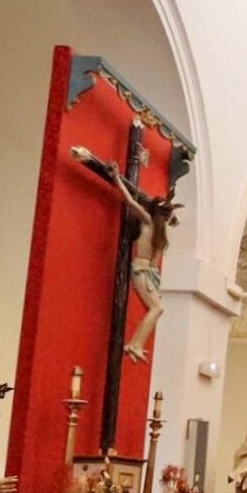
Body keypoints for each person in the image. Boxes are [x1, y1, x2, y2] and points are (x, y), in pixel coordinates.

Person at [70, 146, 178, 362]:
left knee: (157, 309)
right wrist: (117, 179)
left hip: (147, 273)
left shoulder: (159, 231)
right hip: (140, 269)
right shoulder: (147, 220)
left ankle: (136, 344)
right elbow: (130, 201)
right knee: (156, 309)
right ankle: (135, 344)